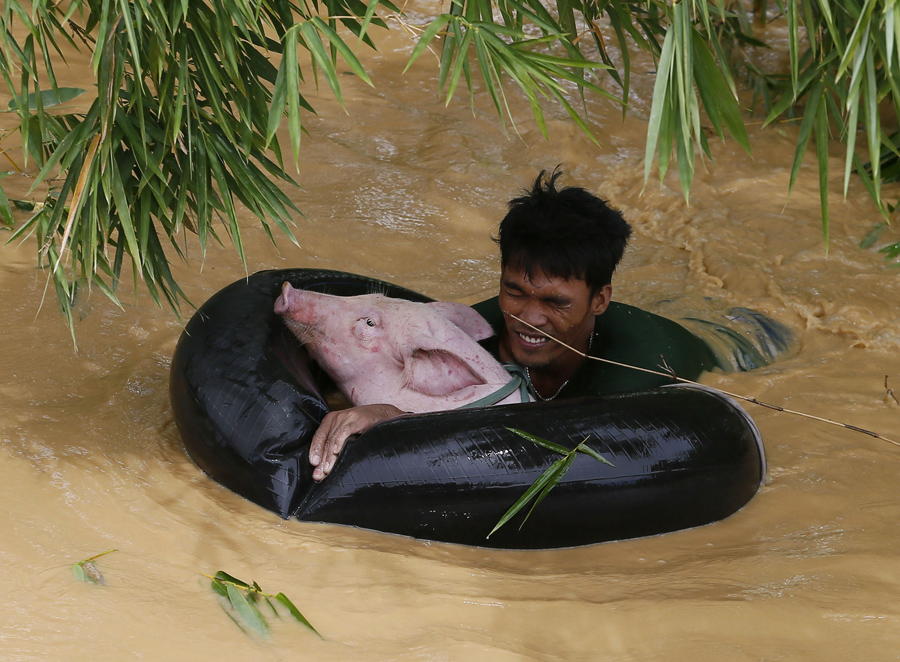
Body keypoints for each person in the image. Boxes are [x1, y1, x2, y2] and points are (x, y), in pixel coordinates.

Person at [308, 169, 716, 481]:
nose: (529, 317)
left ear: (600, 300)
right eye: (515, 291)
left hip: (733, 343)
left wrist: (402, 423)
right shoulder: (471, 337)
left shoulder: (636, 368)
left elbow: (555, 447)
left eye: (556, 302)